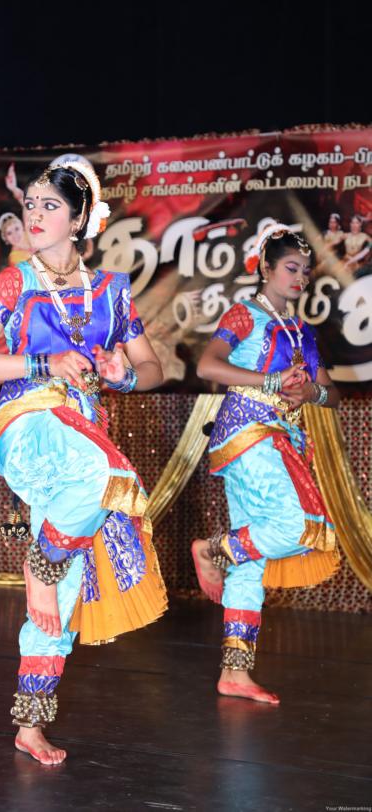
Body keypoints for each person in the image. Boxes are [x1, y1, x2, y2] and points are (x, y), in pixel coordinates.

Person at [0, 160, 167, 765]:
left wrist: (123, 375)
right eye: (31, 204)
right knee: (108, 478)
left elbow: (152, 368)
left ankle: (29, 723)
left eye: (50, 206)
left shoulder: (112, 291)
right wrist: (43, 364)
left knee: (64, 598)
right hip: (29, 421)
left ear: (79, 221)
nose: (35, 214)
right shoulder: (14, 282)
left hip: (84, 429)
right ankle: (41, 559)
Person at [193, 223, 340, 704]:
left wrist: (310, 392)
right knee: (298, 525)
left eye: (306, 271)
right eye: (291, 268)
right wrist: (271, 382)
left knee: (252, 560)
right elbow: (208, 365)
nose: (300, 278)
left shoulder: (303, 331)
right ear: (266, 269)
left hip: (283, 438)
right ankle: (212, 549)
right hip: (248, 433)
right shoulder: (245, 315)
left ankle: (234, 674)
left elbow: (331, 395)